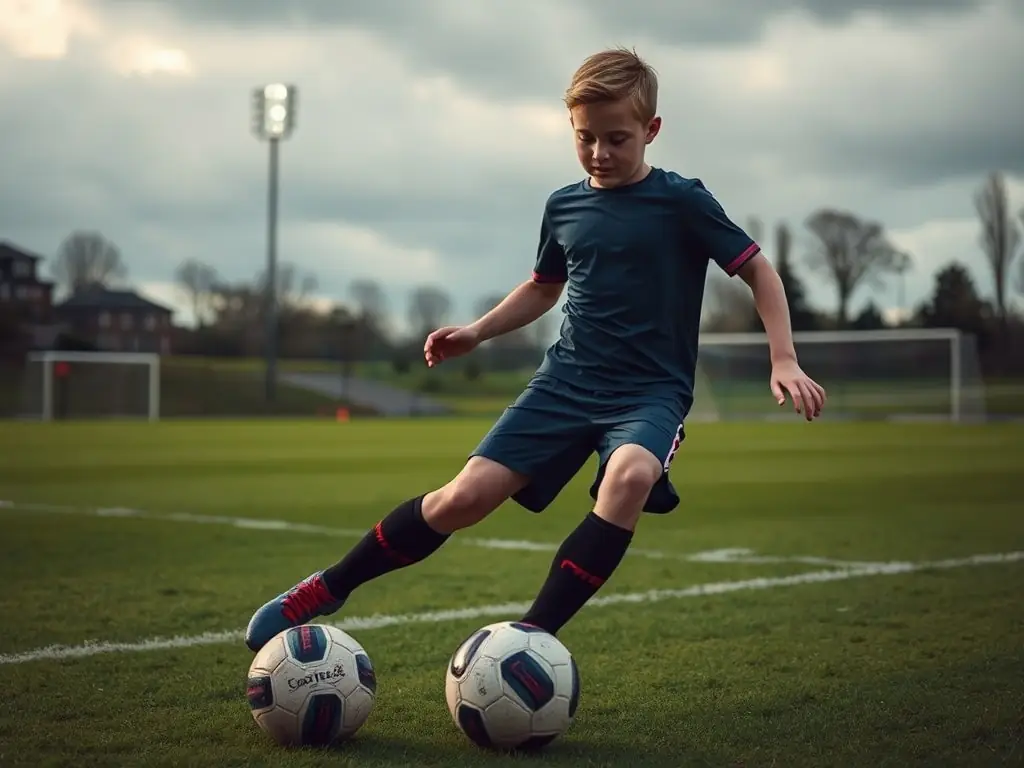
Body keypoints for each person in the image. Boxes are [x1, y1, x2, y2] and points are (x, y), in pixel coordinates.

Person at [244, 47, 827, 653]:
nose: (599, 152)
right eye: (585, 138)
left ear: (652, 130)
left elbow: (758, 270)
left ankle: (533, 639)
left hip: (649, 393)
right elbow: (544, 288)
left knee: (629, 476)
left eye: (617, 139)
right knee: (463, 498)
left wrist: (783, 357)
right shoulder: (563, 205)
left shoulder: (682, 201)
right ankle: (328, 586)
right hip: (565, 383)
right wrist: (477, 331)